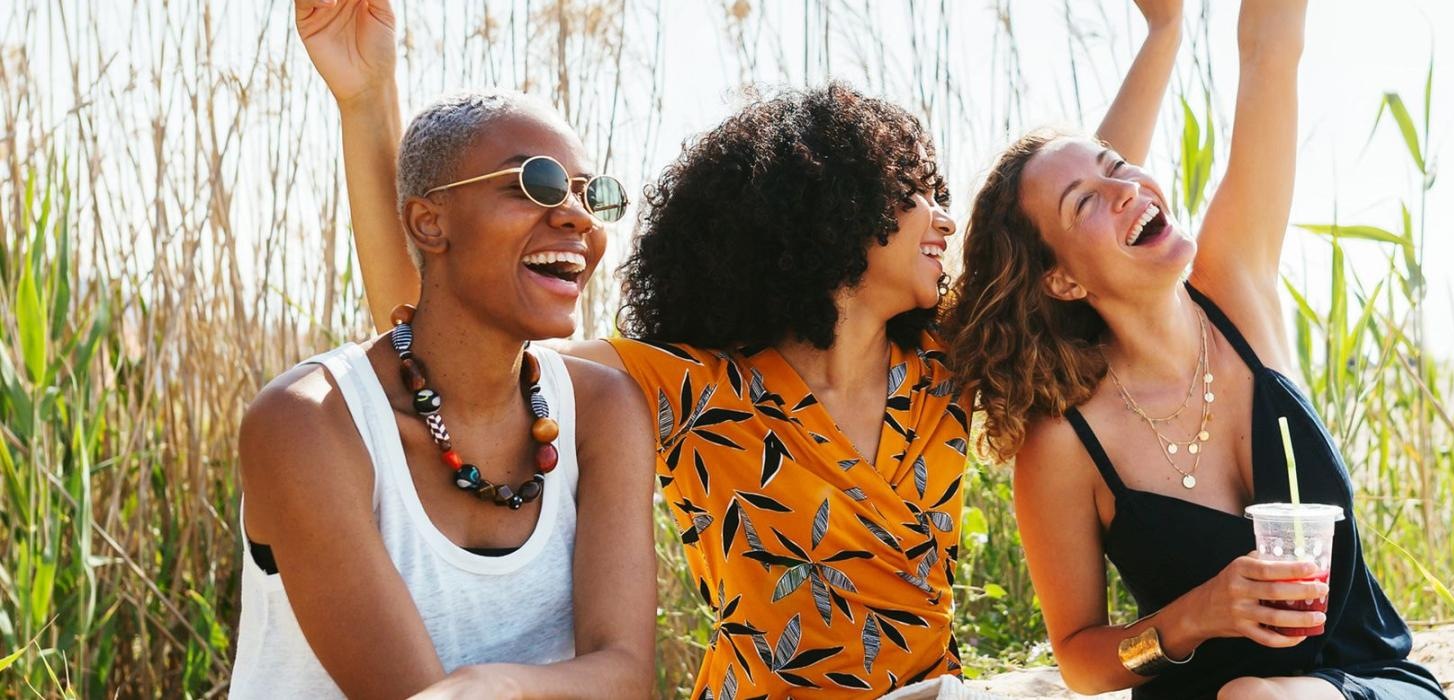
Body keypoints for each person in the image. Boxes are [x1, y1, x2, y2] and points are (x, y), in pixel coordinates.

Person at [297, 0, 1181, 695]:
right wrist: (368, 104)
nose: (945, 220)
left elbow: (1077, 224)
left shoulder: (943, 364)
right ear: (835, 213)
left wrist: (1164, 32)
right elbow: (437, 334)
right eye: (915, 191)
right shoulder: (690, 390)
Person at [945, 0, 1445, 698]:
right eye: (1086, 202)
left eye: (1119, 165)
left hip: (1373, 683)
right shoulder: (1066, 441)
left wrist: (1166, 26)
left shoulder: (1237, 290)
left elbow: (1271, 49)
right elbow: (1081, 662)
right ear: (1060, 279)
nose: (1127, 188)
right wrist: (1194, 618)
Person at [230, 84, 654, 697]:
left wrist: (497, 686)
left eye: (592, 194)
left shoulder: (602, 410)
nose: (577, 217)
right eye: (533, 184)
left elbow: (626, 675)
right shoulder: (309, 423)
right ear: (429, 223)